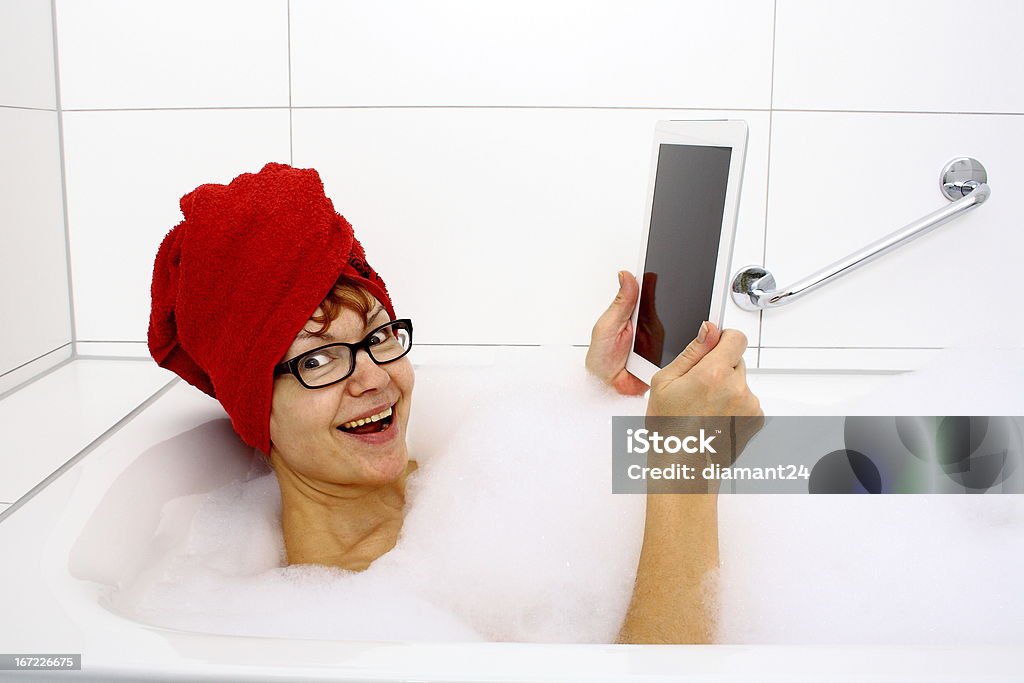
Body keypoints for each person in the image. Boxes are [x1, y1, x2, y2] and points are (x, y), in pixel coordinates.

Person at [148, 162, 763, 645]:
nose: (373, 379)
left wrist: (599, 396)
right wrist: (687, 463)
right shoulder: (343, 625)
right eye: (318, 360)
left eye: (380, 335)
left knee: (844, 463)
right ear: (257, 408)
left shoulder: (458, 486)